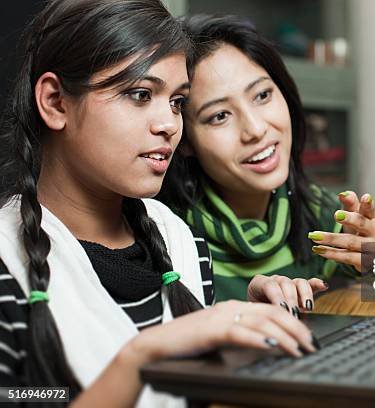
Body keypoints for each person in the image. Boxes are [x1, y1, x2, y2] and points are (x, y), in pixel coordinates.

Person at [0, 2, 317, 406]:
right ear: (56, 102)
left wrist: (241, 335)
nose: (168, 124)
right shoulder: (8, 263)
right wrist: (140, 357)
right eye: (140, 94)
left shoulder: (178, 238)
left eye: (176, 102)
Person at [159, 14, 375, 306]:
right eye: (219, 116)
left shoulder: (317, 216)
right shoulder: (165, 235)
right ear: (184, 140)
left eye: (262, 95)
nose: (256, 129)